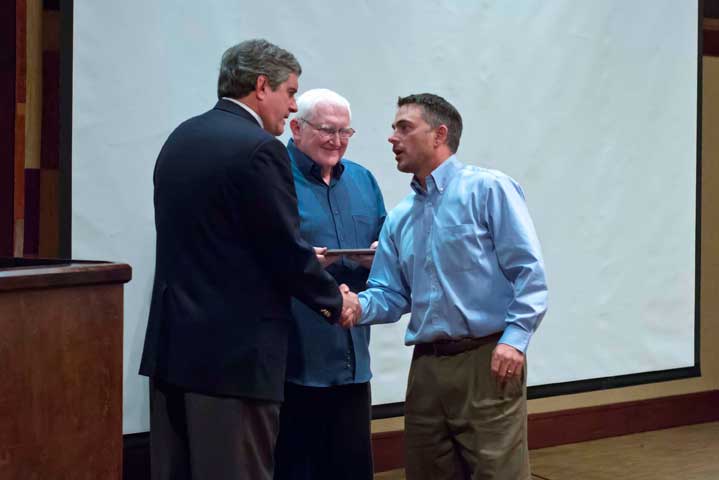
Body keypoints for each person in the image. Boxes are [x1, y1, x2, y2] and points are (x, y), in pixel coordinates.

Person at [138, 40, 358, 480]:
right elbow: (284, 250)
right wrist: (336, 301)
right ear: (262, 86)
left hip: (174, 353)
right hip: (234, 362)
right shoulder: (260, 149)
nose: (293, 106)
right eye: (291, 92)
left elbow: (218, 243)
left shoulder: (182, 137)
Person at [342, 93, 548, 480]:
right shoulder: (401, 216)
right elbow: (390, 293)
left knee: (497, 472)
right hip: (427, 368)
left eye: (404, 127)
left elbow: (528, 271)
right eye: (393, 128)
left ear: (439, 135)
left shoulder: (488, 190)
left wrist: (515, 338)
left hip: (486, 360)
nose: (392, 138)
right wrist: (357, 306)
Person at [273, 88, 386, 480]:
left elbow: (390, 255)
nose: (337, 141)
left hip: (352, 358)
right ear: (296, 127)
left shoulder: (363, 180)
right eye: (327, 130)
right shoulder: (272, 178)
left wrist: (377, 258)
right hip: (293, 360)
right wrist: (302, 263)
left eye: (345, 132)